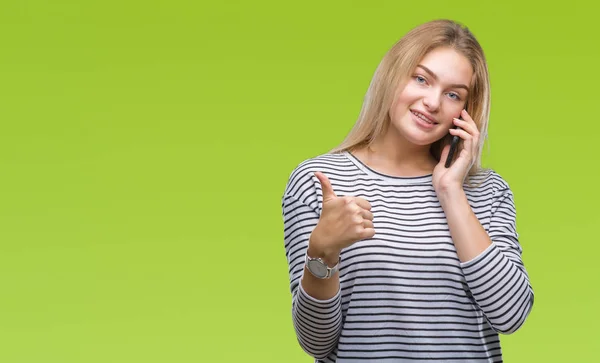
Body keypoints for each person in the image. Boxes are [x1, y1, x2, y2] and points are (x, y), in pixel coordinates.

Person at [281, 19, 534, 362]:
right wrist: (321, 254)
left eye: (453, 94)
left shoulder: (486, 191)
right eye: (421, 79)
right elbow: (317, 343)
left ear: (465, 111)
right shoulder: (320, 181)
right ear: (392, 75)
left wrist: (451, 192)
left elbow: (511, 313)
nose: (432, 102)